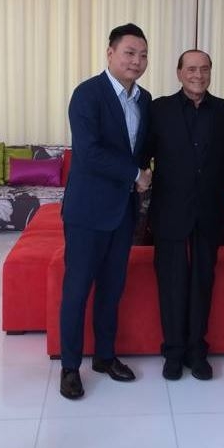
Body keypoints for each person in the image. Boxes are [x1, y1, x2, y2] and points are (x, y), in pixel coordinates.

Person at [59, 23, 153, 400]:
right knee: (77, 290)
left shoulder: (144, 99)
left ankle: (104, 356)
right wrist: (135, 174)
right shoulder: (88, 94)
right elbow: (89, 152)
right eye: (129, 52)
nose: (136, 61)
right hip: (87, 211)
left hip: (123, 212)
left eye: (143, 55)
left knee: (112, 290)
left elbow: (142, 149)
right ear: (110, 53)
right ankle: (70, 367)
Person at [145, 49, 224, 381]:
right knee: (170, 283)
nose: (198, 75)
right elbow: (143, 152)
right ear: (179, 73)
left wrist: (214, 174)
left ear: (211, 72)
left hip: (210, 210)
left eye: (204, 69)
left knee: (203, 282)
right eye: (191, 69)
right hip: (169, 211)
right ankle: (173, 351)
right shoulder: (159, 109)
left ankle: (197, 351)